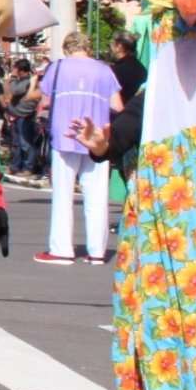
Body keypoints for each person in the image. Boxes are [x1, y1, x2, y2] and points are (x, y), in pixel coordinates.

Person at [34, 32, 123, 264]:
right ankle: (97, 252)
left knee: (63, 194)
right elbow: (117, 105)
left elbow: (44, 101)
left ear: (66, 49)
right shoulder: (104, 69)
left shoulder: (58, 67)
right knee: (96, 195)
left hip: (65, 135)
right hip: (96, 139)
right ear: (88, 48)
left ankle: (61, 249)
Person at [2, 56, 41, 182]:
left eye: (17, 70)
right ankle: (15, 166)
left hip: (26, 118)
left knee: (26, 144)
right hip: (18, 117)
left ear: (23, 71)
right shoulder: (21, 80)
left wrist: (12, 77)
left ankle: (29, 167)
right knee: (17, 144)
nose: (15, 72)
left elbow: (14, 90)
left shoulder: (28, 82)